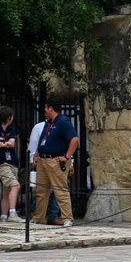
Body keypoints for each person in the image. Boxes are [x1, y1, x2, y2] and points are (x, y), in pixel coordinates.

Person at [32, 94, 79, 228]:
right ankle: (38, 217)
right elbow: (44, 140)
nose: (44, 110)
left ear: (51, 108)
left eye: (46, 108)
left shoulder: (63, 122)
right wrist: (38, 153)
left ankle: (67, 217)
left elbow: (74, 139)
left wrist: (67, 156)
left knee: (60, 190)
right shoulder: (49, 123)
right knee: (41, 191)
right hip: (43, 160)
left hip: (55, 161)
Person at [27, 117, 62, 224]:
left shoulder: (61, 126)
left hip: (56, 161)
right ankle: (35, 211)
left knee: (57, 189)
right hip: (42, 160)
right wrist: (32, 160)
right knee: (42, 189)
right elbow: (33, 144)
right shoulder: (38, 127)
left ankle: (53, 215)